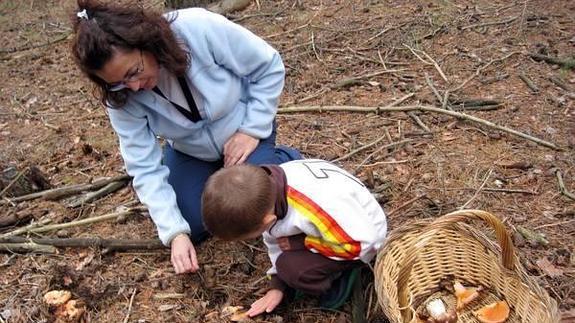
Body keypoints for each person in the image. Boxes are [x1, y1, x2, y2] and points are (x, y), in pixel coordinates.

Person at [70, 0, 301, 275]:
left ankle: (284, 162)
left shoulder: (196, 28)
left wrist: (251, 129)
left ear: (145, 42)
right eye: (118, 82)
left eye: (133, 71)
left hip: (244, 130)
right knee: (196, 222)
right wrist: (175, 233)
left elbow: (268, 66)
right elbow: (143, 165)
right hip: (190, 151)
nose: (133, 86)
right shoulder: (121, 97)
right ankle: (219, 176)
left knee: (256, 205)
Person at [201, 159, 388, 316]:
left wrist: (302, 243)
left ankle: (341, 276)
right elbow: (275, 240)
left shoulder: (314, 206)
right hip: (334, 224)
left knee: (293, 270)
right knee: (285, 264)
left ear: (269, 221)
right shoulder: (266, 192)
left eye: (252, 235)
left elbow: (362, 243)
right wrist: (277, 284)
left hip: (361, 236)